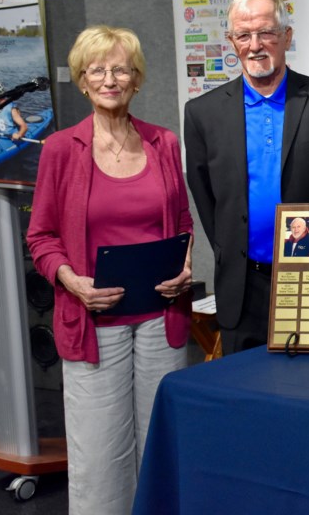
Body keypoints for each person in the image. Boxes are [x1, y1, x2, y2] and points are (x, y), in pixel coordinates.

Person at [26, 26, 193, 514]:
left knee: (161, 446)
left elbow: (182, 221)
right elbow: (40, 237)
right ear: (82, 79)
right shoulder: (60, 149)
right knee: (100, 458)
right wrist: (70, 280)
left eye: (120, 68)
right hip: (93, 321)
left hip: (162, 317)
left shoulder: (164, 142)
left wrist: (185, 265)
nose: (109, 78)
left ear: (136, 78)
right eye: (97, 69)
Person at [185, 0, 309, 354]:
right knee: (248, 398)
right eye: (243, 35)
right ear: (232, 42)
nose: (255, 45)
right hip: (243, 285)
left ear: (286, 36)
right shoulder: (203, 114)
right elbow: (205, 196)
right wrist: (227, 249)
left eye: (266, 32)